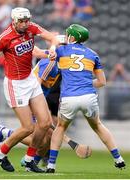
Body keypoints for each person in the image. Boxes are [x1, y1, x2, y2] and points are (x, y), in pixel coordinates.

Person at [0, 35, 92, 171]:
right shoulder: (49, 63)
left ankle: (29, 162)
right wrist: (36, 108)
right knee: (40, 138)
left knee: (46, 140)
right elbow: (36, 84)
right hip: (31, 97)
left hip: (39, 98)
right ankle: (5, 133)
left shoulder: (61, 64)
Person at [0, 7, 59, 173]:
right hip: (15, 85)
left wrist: (52, 49)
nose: (25, 24)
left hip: (30, 80)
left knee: (44, 124)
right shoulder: (4, 38)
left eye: (26, 20)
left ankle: (29, 160)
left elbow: (53, 37)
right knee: (28, 127)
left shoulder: (31, 28)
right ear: (14, 21)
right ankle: (1, 153)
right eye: (21, 21)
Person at [45, 24, 126, 173]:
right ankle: (118, 159)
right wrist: (86, 83)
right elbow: (102, 82)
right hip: (89, 96)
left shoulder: (61, 50)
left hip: (69, 97)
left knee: (60, 128)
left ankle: (51, 165)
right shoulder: (93, 54)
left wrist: (55, 42)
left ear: (73, 37)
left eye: (68, 34)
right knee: (98, 126)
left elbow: (50, 44)